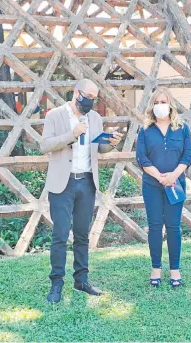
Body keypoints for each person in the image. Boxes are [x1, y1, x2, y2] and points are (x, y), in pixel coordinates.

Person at [40, 79, 123, 304]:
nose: (91, 101)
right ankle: (56, 283)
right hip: (62, 183)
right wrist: (72, 134)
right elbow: (45, 145)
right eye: (88, 96)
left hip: (86, 182)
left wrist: (111, 142)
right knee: (60, 235)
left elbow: (99, 148)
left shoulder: (95, 118)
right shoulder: (55, 115)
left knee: (82, 235)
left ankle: (82, 280)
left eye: (94, 98)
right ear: (76, 93)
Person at [136, 87, 191, 288]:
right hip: (152, 185)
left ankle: (175, 270)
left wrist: (173, 176)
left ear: (171, 105)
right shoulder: (145, 130)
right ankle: (156, 268)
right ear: (152, 106)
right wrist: (160, 177)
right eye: (157, 103)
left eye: (164, 102)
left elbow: (187, 156)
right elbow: (141, 158)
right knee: (154, 227)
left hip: (176, 184)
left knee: (173, 227)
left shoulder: (182, 128)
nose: (161, 106)